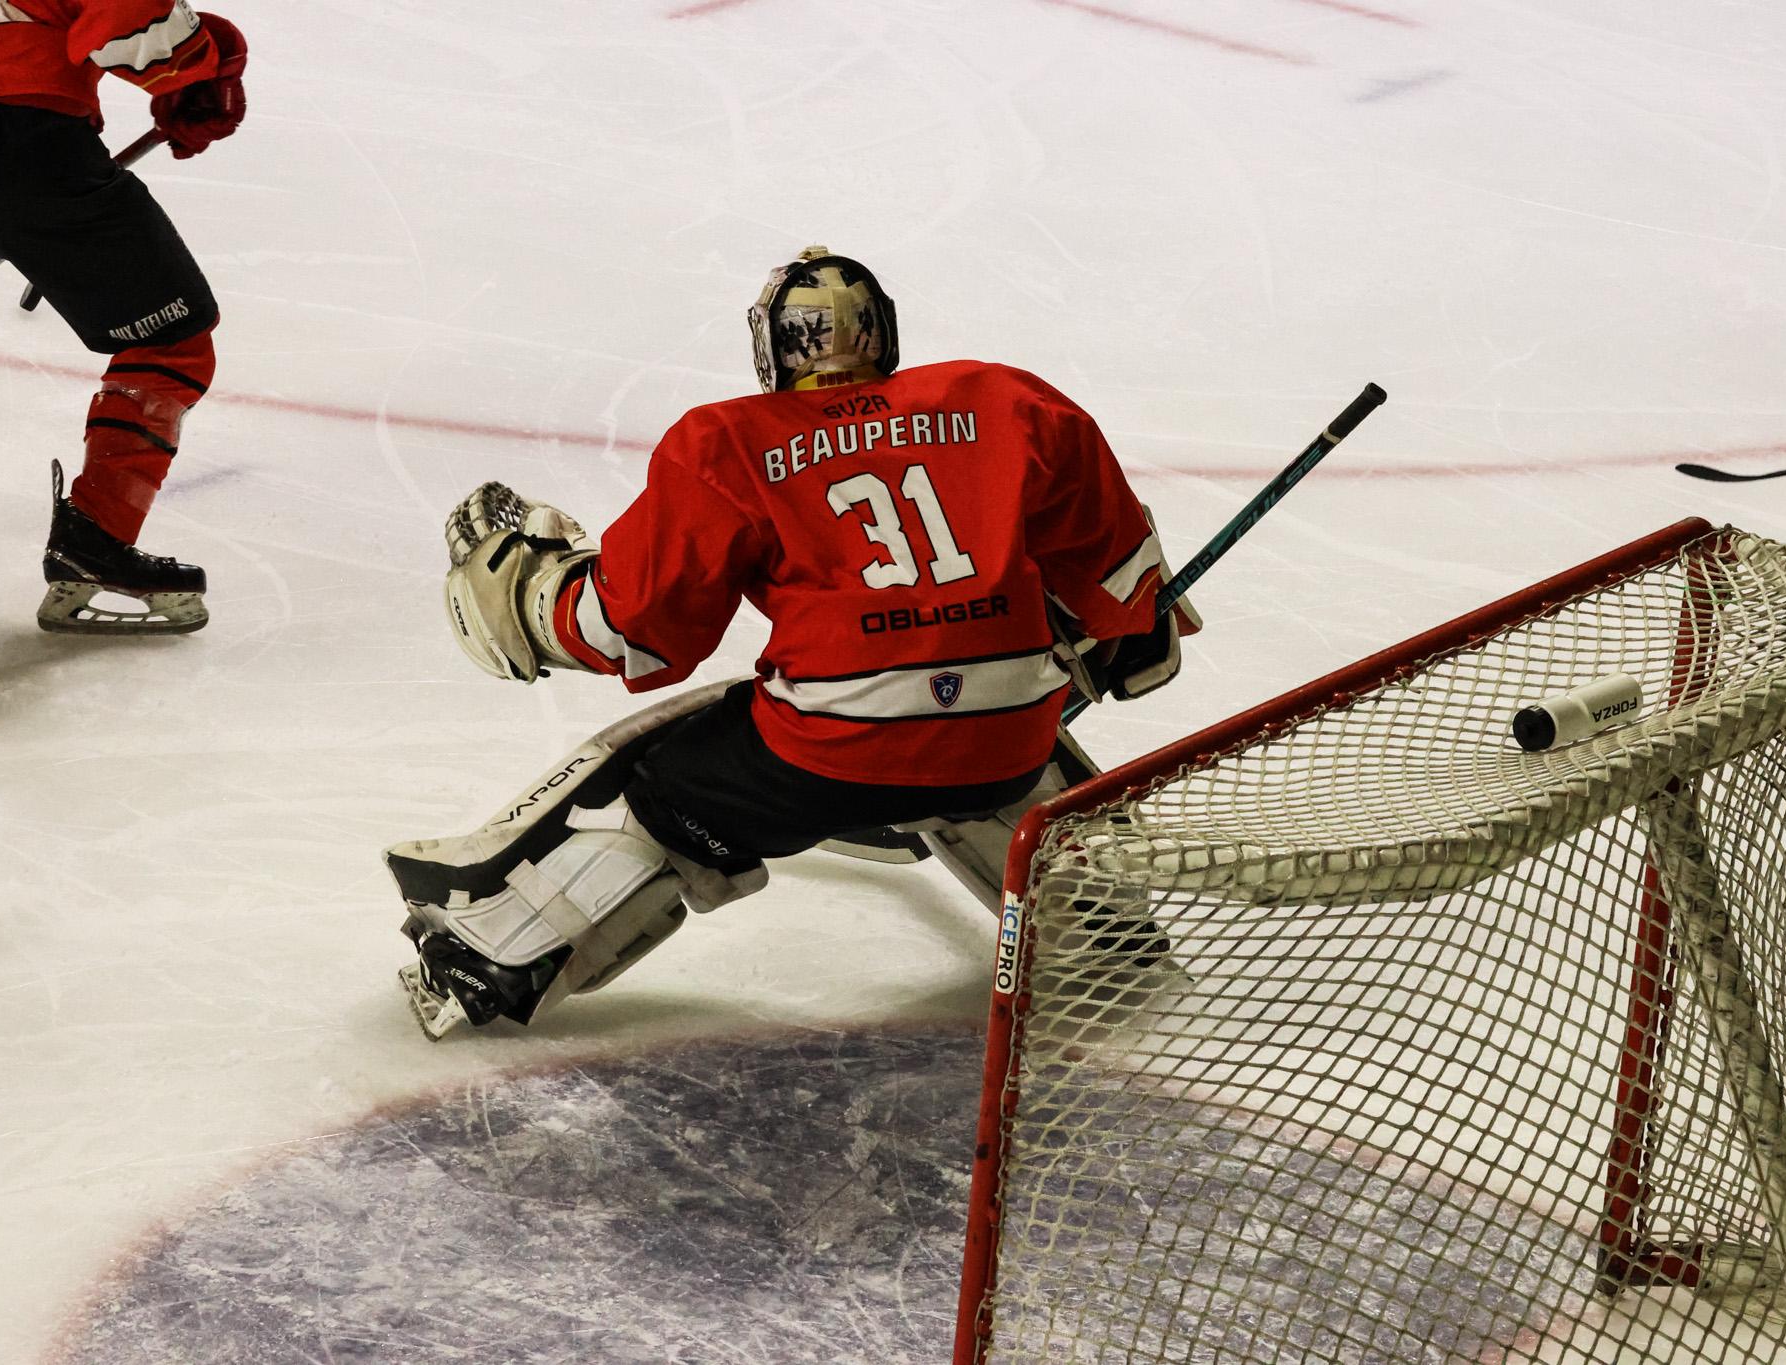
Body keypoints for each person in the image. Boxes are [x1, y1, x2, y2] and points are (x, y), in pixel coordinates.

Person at [386, 246, 1198, 1040]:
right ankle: (1107, 934)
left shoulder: (730, 441)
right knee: (1001, 714)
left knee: (653, 780)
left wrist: (533, 588)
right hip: (1007, 745)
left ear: (775, 346)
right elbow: (1124, 583)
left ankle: (485, 956)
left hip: (827, 754)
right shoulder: (1006, 399)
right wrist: (1112, 642)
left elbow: (633, 629)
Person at [0, 1, 248, 633]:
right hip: (22, 146)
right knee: (170, 341)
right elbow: (134, 17)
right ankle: (94, 546)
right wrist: (203, 66)